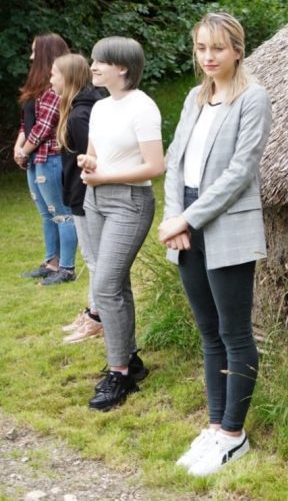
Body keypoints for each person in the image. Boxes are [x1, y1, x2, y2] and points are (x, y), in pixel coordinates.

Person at [159, 12, 272, 476]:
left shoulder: (253, 98)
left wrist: (189, 216)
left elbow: (240, 173)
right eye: (202, 48)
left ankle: (234, 434)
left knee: (234, 333)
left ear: (237, 50)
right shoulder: (192, 98)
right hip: (185, 223)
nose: (208, 57)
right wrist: (174, 218)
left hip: (225, 223)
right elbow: (174, 161)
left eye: (218, 48)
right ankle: (214, 428)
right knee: (208, 335)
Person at [80, 37, 165, 411]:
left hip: (129, 202)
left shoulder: (142, 107)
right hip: (95, 198)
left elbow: (155, 167)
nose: (93, 67)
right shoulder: (100, 107)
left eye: (101, 62)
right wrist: (88, 163)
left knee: (106, 286)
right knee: (115, 284)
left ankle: (119, 376)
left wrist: (104, 178)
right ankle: (130, 360)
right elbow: (99, 155)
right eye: (94, 61)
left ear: (123, 68)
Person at [50, 53, 106, 339]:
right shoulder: (77, 108)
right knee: (92, 258)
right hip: (79, 192)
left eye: (54, 75)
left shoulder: (80, 115)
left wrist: (83, 190)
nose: (50, 80)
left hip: (85, 194)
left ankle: (98, 317)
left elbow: (94, 157)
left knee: (95, 259)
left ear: (68, 78)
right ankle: (92, 311)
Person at [14, 33, 76, 284]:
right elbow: (26, 123)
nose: (30, 57)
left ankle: (67, 268)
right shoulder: (36, 88)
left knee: (62, 213)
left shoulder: (56, 89)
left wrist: (24, 150)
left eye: (33, 52)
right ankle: (51, 263)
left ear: (45, 55)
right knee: (46, 214)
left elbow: (43, 127)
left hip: (50, 158)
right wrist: (20, 147)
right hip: (34, 157)